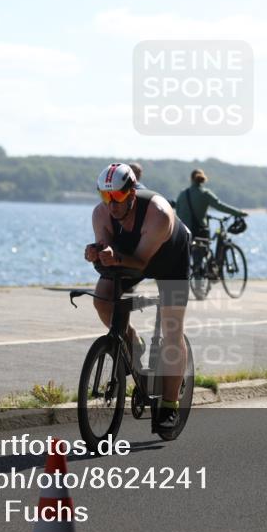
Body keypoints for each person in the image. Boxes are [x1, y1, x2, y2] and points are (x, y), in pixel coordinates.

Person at [83, 163, 191, 431]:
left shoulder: (158, 213)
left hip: (169, 259)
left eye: (117, 197)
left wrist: (114, 256)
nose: (111, 205)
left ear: (131, 193)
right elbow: (108, 252)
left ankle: (169, 406)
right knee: (102, 299)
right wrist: (97, 254)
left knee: (172, 329)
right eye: (105, 197)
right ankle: (132, 340)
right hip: (131, 255)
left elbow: (142, 263)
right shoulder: (101, 214)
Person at [175, 169, 247, 267]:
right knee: (201, 256)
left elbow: (178, 213)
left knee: (186, 259)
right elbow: (220, 206)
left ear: (191, 179)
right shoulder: (205, 194)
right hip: (200, 231)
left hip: (184, 233)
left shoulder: (183, 194)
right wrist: (238, 213)